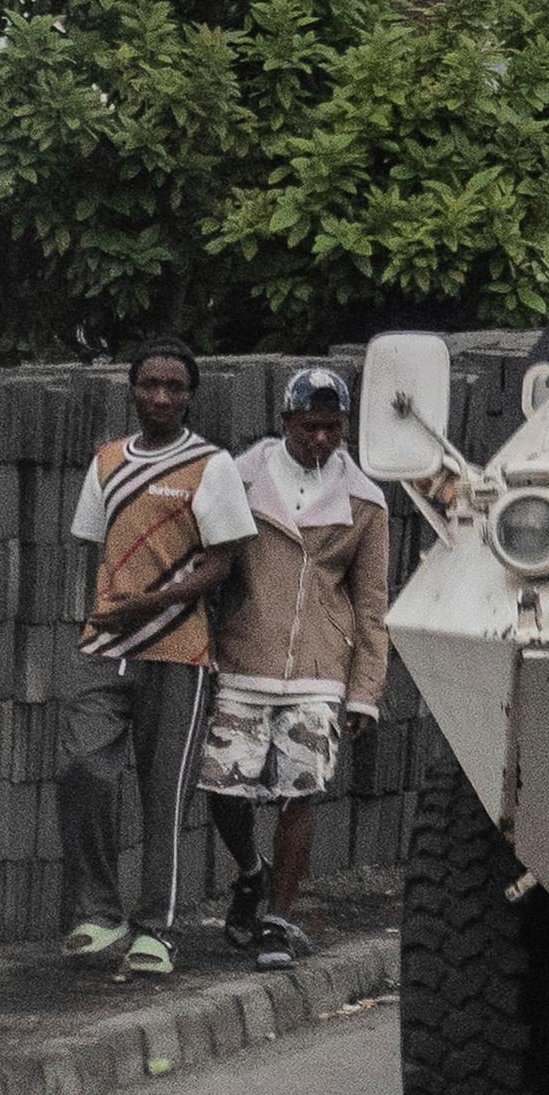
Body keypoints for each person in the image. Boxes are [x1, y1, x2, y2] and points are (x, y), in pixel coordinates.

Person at [58, 340, 260, 977]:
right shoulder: (108, 462)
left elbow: (226, 563)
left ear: (190, 395)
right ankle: (98, 910)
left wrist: (150, 604)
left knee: (162, 792)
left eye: (175, 387)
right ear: (133, 389)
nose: (162, 397)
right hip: (106, 646)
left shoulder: (211, 465)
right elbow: (98, 546)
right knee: (82, 768)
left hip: (179, 651)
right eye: (151, 385)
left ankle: (157, 929)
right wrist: (113, 613)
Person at [206, 369, 390, 968]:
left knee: (300, 792)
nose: (320, 439)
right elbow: (209, 563)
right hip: (242, 658)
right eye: (309, 426)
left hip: (318, 670)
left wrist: (365, 690)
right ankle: (250, 870)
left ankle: (279, 922)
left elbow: (370, 604)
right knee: (222, 787)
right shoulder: (240, 477)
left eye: (332, 428)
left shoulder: (364, 501)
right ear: (285, 422)